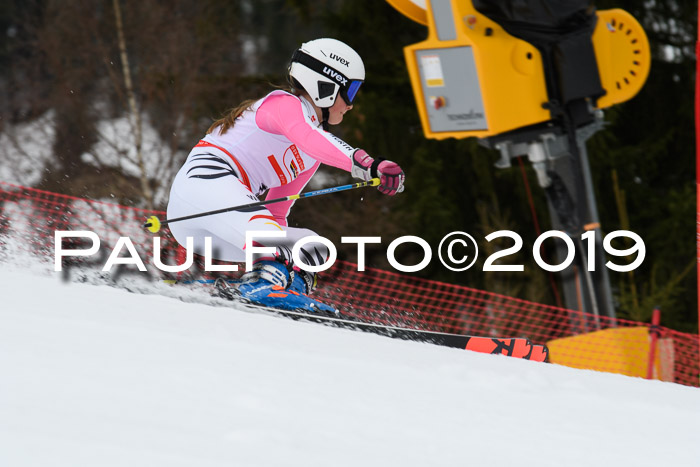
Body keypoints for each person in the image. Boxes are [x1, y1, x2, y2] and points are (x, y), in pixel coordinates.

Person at [167, 38, 405, 314]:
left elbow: (276, 214)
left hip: (220, 223)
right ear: (325, 86)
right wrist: (367, 164)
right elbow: (308, 136)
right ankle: (262, 286)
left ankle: (287, 291)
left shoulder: (311, 153)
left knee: (313, 247)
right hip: (204, 185)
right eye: (350, 91)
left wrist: (289, 260)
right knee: (273, 239)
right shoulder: (283, 104)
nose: (351, 105)